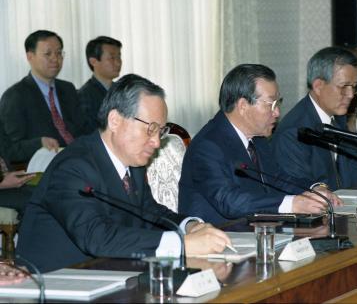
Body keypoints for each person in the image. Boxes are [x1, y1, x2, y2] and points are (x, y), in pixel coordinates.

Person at [17, 74, 231, 273]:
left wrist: (188, 226)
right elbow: (96, 237)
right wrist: (182, 244)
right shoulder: (73, 166)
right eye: (150, 128)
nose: (156, 142)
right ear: (115, 121)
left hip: (110, 273)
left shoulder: (132, 163)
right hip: (59, 282)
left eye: (160, 131)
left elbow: (149, 212)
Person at [178, 64, 341, 225]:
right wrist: (292, 204)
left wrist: (315, 188)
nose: (277, 112)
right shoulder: (208, 145)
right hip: (220, 238)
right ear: (243, 106)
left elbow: (277, 178)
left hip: (261, 231)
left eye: (278, 103)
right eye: (271, 104)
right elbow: (229, 202)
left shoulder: (257, 137)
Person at [272, 47, 357, 191]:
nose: (351, 94)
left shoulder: (338, 119)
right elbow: (302, 191)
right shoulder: (294, 133)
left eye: (354, 87)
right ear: (318, 86)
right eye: (344, 86)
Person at [0, 30, 85, 163]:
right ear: (30, 56)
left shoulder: (68, 89)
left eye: (58, 53)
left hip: (78, 163)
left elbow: (82, 129)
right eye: (48, 54)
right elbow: (9, 150)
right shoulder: (15, 96)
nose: (55, 59)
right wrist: (39, 143)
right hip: (42, 173)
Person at [79, 36, 123, 133]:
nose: (118, 62)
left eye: (119, 56)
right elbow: (90, 132)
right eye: (112, 57)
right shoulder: (84, 95)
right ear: (93, 61)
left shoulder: (123, 91)